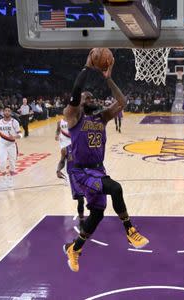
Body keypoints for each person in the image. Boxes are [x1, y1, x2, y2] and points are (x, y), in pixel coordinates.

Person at [63, 51, 149, 272]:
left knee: (98, 214)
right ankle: (130, 230)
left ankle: (75, 248)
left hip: (98, 170)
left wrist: (108, 77)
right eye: (86, 98)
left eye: (92, 98)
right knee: (116, 188)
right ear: (79, 102)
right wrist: (86, 68)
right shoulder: (73, 117)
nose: (90, 100)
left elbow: (122, 101)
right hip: (82, 172)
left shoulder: (101, 117)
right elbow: (74, 94)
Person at [0, 107, 22, 187]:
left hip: (11, 144)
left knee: (12, 163)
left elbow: (20, 134)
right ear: (3, 112)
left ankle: (11, 179)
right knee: (2, 162)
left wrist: (14, 137)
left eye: (8, 111)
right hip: (2, 144)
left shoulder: (14, 122)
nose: (7, 112)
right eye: (5, 111)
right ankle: (5, 178)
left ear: (10, 113)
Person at [56, 145, 86, 228]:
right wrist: (58, 170)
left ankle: (94, 216)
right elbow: (62, 161)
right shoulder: (65, 149)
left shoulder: (84, 147)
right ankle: (81, 220)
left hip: (85, 173)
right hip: (73, 176)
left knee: (92, 197)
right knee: (80, 199)